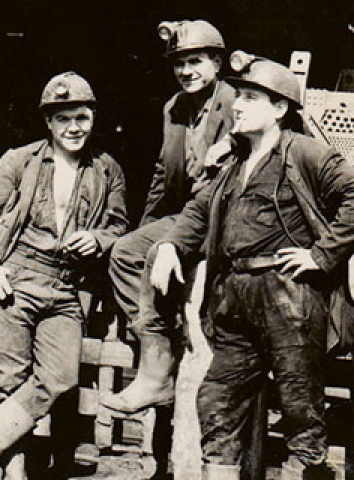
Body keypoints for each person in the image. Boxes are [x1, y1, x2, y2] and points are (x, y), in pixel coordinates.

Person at [145, 54, 353, 479]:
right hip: (234, 297)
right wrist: (169, 245)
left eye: (251, 97)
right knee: (217, 399)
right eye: (238, 95)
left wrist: (321, 255)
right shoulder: (232, 163)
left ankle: (315, 472)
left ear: (279, 109)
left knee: (300, 408)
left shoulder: (305, 153)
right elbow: (197, 212)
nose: (237, 105)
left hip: (288, 298)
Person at [0, 71, 128, 479]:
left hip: (66, 287)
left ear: (93, 119)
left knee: (61, 377)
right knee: (8, 381)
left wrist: (99, 239)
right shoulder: (19, 160)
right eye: (63, 119)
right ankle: (12, 472)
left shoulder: (107, 170)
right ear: (48, 123)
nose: (74, 128)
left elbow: (120, 226)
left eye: (82, 118)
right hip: (15, 279)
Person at [102, 19, 235, 413]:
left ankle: (160, 358)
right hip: (183, 213)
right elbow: (163, 172)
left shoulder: (236, 101)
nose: (185, 72)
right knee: (126, 253)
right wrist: (147, 225)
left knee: (161, 251)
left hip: (221, 216)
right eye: (178, 64)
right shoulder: (174, 108)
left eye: (195, 61)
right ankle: (159, 347)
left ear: (216, 62)